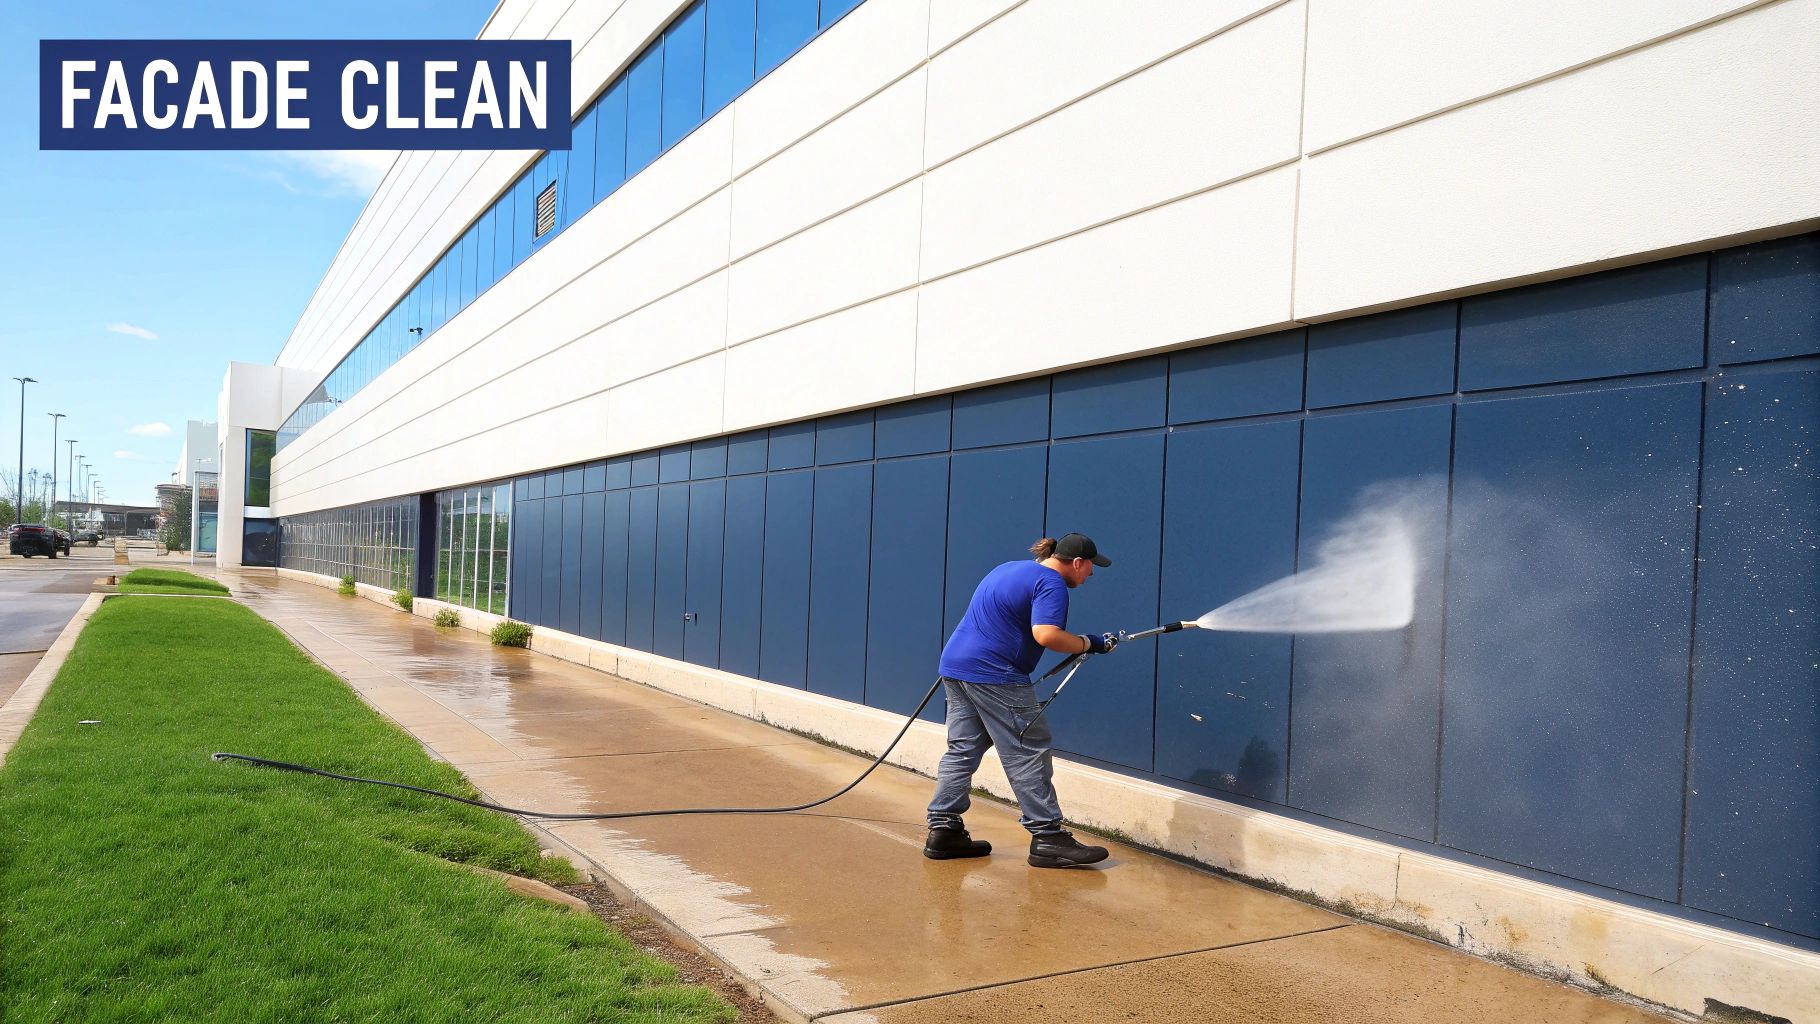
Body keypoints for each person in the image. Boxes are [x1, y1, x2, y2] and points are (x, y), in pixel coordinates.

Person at [923, 532, 1121, 868]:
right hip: (995, 674)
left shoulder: (1008, 569)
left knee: (963, 749)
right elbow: (1046, 634)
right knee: (1028, 750)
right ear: (1076, 562)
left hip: (956, 666)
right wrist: (1090, 643)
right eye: (1090, 567)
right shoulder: (1051, 582)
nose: (1090, 574)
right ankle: (1048, 837)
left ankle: (944, 830)